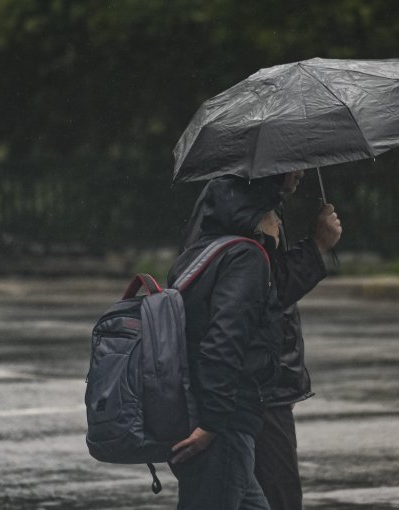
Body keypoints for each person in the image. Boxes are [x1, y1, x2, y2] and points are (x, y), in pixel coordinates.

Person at [180, 169, 343, 510]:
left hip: (246, 393)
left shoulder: (238, 207)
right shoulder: (245, 226)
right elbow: (237, 320)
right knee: (272, 495)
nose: (300, 171)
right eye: (294, 161)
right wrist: (317, 246)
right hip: (244, 396)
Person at [166, 175, 286, 510]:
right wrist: (213, 423)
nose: (278, 220)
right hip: (223, 424)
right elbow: (224, 339)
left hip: (196, 410)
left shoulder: (199, 254)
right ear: (255, 212)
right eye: (273, 211)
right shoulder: (247, 257)